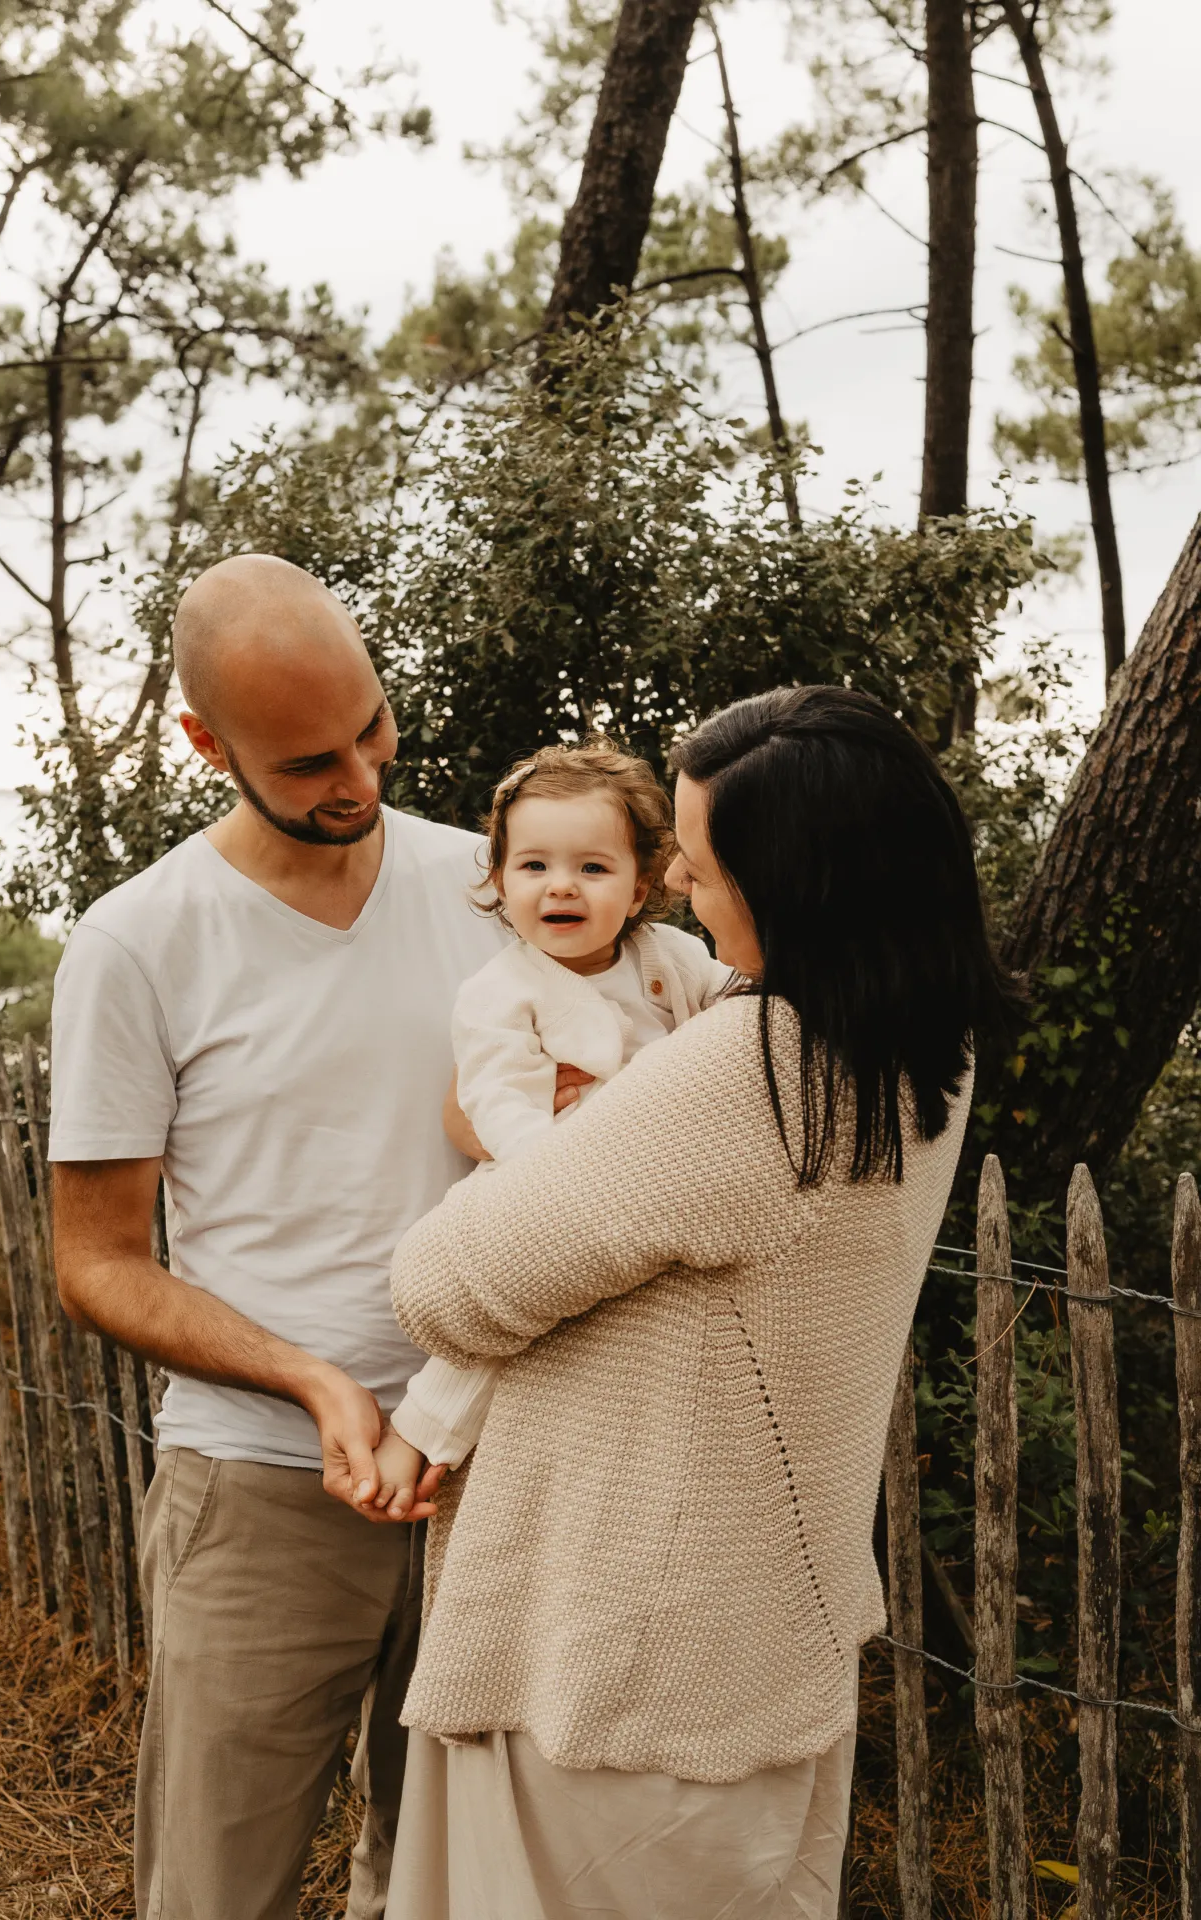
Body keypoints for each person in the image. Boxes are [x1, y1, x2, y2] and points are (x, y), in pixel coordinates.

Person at [381, 685, 1018, 1920]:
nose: (673, 881)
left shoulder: (756, 1068)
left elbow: (445, 1286)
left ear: (794, 882)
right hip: (759, 1623)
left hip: (627, 1654)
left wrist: (536, 1140)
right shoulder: (915, 1034)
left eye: (701, 861)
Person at [48, 554, 576, 1920]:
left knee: (453, 1894)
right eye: (306, 762)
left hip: (493, 1477)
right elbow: (97, 1262)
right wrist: (311, 1382)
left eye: (371, 727)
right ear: (204, 744)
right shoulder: (135, 943)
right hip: (262, 1490)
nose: (358, 776)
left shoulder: (495, 890)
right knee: (215, 1894)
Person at [368, 738, 732, 1516]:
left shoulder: (669, 956)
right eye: (534, 866)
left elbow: (734, 1006)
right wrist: (554, 1178)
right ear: (500, 882)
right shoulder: (499, 991)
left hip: (658, 1179)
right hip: (539, 1172)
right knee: (494, 1322)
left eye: (593, 868)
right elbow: (497, 1097)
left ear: (638, 889)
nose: (561, 885)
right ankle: (420, 1434)